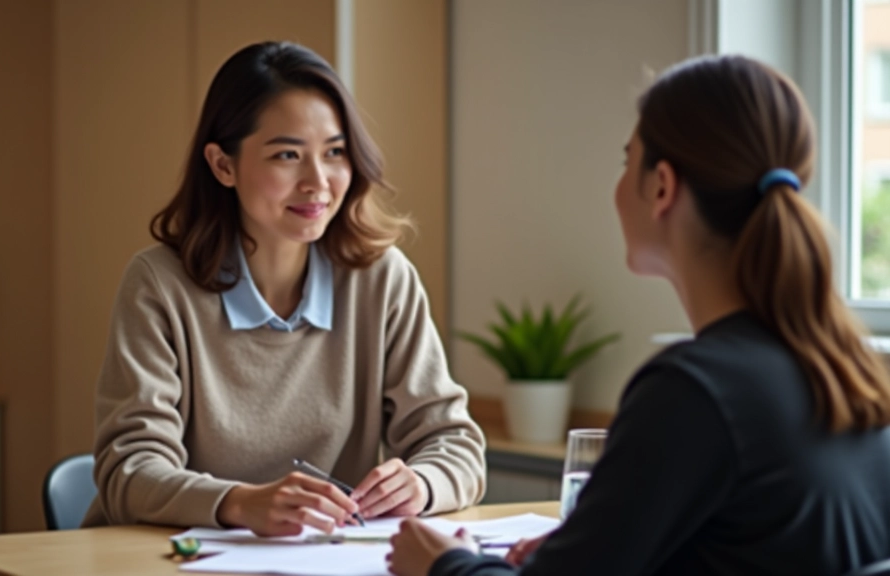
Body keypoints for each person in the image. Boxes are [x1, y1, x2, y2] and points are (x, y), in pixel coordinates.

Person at [388, 54, 890, 576]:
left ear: (662, 186)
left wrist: (444, 564)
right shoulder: (844, 372)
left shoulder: (694, 391)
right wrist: (590, 545)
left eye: (628, 161)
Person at [81, 41, 486, 536]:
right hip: (166, 560)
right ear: (223, 165)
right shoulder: (159, 285)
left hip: (324, 560)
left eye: (334, 152)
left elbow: (455, 445)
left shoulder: (382, 279)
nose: (318, 182)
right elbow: (129, 472)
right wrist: (239, 503)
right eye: (288, 155)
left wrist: (422, 484)